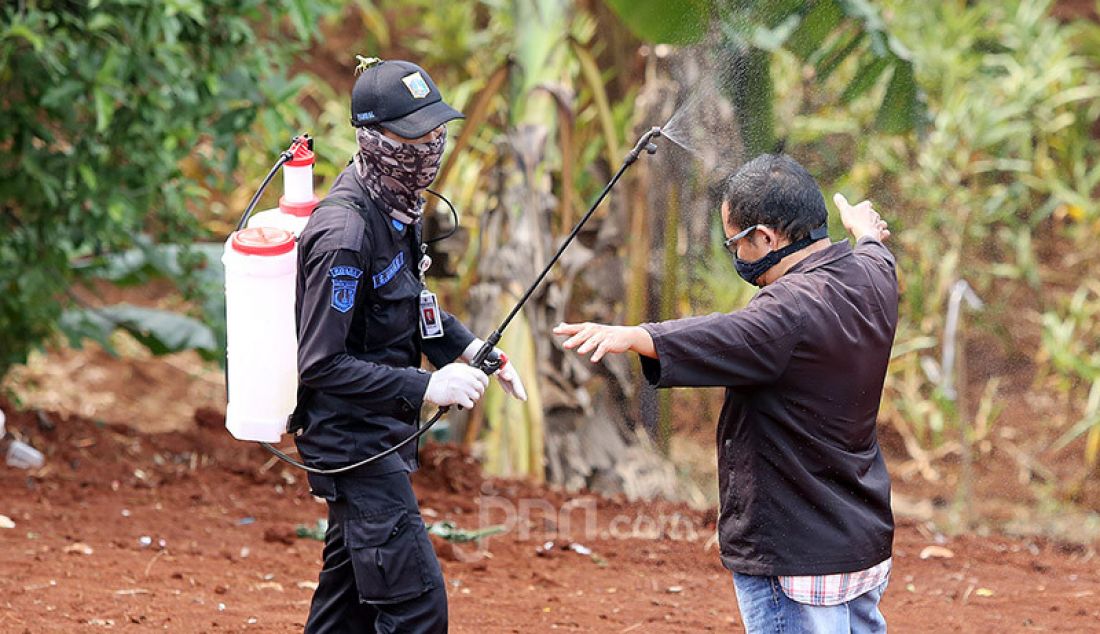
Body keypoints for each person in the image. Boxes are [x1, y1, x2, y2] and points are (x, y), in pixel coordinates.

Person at [554, 154, 898, 634]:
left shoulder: (788, 308)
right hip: (859, 542)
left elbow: (727, 334)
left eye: (736, 241)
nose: (736, 254)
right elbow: (873, 247)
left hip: (796, 552)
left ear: (765, 237)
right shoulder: (874, 275)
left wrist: (636, 335)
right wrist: (861, 227)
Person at [290, 58, 527, 634]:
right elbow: (321, 363)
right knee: (416, 608)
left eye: (437, 132)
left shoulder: (397, 206)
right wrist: (427, 386)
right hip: (355, 449)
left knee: (344, 608)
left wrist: (473, 352)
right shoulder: (345, 235)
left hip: (376, 439)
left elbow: (408, 302)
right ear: (374, 139)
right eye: (415, 136)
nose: (431, 146)